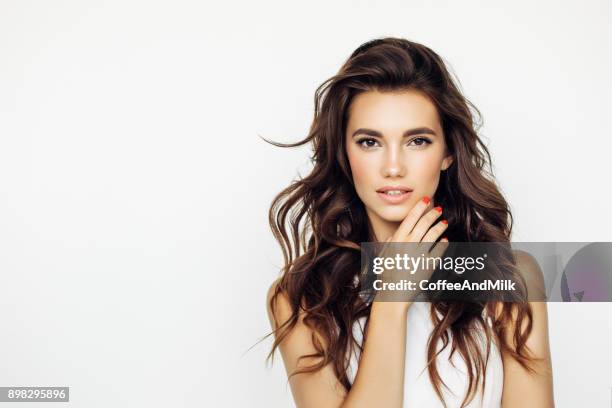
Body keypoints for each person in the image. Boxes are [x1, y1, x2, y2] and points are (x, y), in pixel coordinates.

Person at [264, 37, 554, 407]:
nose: (393, 167)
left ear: (448, 153)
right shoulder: (301, 296)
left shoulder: (510, 277)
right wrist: (390, 300)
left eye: (417, 141)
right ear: (343, 153)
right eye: (370, 142)